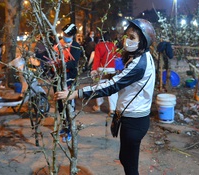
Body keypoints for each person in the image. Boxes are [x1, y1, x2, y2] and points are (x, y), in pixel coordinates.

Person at [55, 18, 156, 175]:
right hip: (132, 118)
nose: (127, 41)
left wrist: (76, 93)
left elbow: (112, 86)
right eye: (127, 36)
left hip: (134, 121)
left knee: (129, 165)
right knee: (126, 159)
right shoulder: (140, 56)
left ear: (143, 40)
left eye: (132, 38)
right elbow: (121, 78)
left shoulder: (140, 64)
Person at [53, 23, 81, 142]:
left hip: (69, 78)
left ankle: (70, 129)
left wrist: (62, 64)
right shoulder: (59, 45)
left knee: (69, 105)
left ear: (73, 35)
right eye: (64, 34)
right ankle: (64, 126)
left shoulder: (75, 47)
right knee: (60, 104)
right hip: (58, 78)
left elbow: (73, 63)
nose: (65, 36)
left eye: (68, 35)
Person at [90, 31, 119, 116]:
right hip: (112, 70)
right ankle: (112, 110)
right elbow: (118, 57)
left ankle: (98, 106)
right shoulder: (114, 46)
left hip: (101, 70)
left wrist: (94, 69)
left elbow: (97, 59)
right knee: (112, 89)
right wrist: (119, 69)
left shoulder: (99, 46)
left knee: (99, 88)